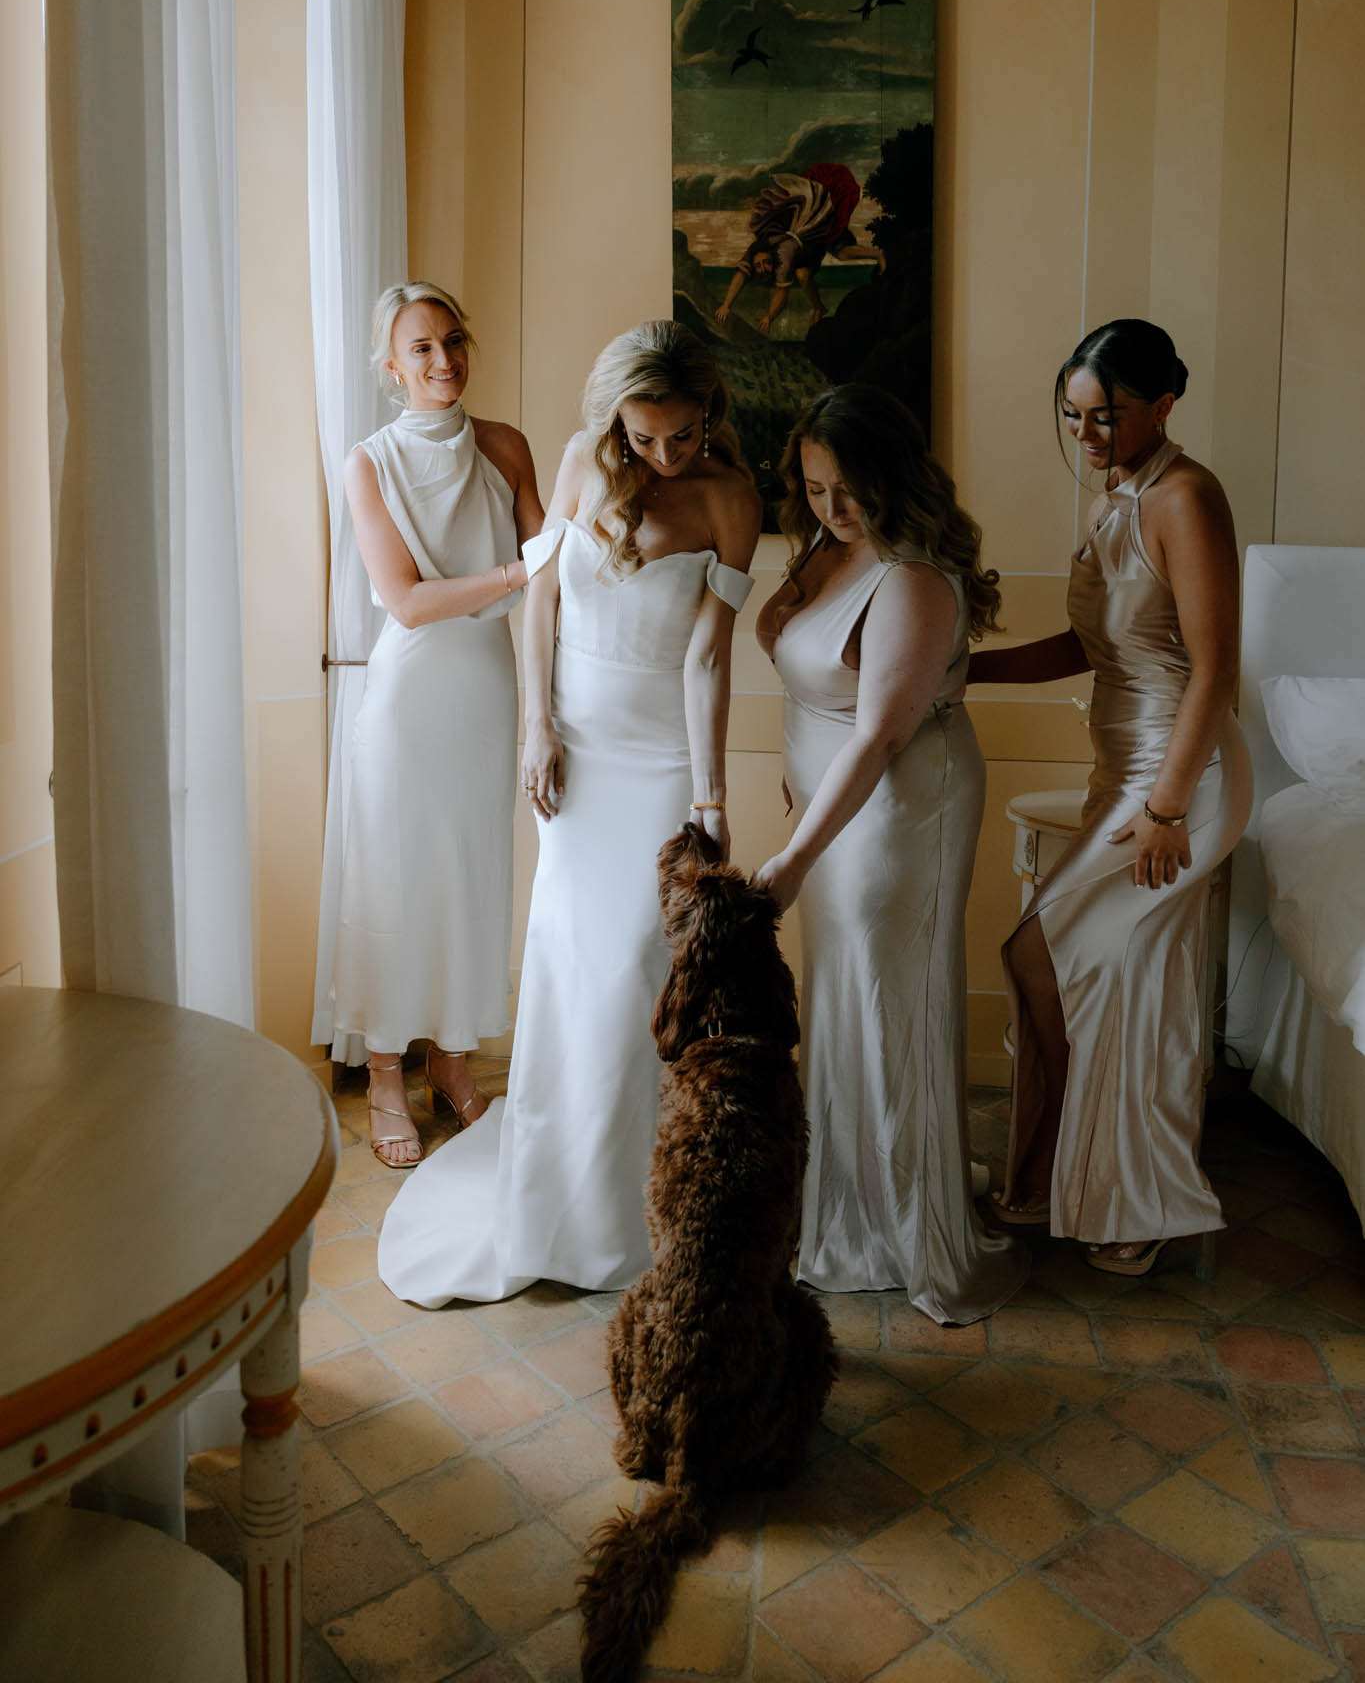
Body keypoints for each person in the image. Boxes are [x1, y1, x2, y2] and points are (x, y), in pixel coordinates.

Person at [379, 320, 761, 1304]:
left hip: (663, 756)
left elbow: (709, 655)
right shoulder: (581, 460)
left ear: (707, 415)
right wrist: (535, 726)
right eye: (645, 436)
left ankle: (632, 1201)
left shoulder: (730, 494)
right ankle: (557, 1191)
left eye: (681, 434)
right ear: (615, 419)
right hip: (577, 757)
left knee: (638, 965)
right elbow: (540, 599)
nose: (663, 455)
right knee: (568, 963)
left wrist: (710, 794)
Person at [970, 319, 1252, 1275]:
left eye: (1106, 418)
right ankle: (1066, 1174)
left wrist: (1168, 809)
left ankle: (1136, 1191)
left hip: (1185, 775)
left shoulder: (1186, 497)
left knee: (1065, 964)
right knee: (1074, 971)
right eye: (1074, 417)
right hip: (1121, 771)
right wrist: (961, 671)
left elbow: (1214, 670)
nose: (1087, 437)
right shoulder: (1115, 500)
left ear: (1163, 405)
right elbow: (1082, 648)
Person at [755, 385, 1028, 1323]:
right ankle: (845, 1194)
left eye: (847, 487)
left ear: (892, 472)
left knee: (885, 990)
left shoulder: (908, 575)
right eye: (815, 486)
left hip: (896, 807)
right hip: (832, 802)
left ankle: (902, 1220)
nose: (831, 507)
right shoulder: (830, 550)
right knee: (843, 988)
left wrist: (791, 857)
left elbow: (874, 739)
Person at [331, 282, 543, 1169]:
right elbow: (409, 602)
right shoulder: (368, 462)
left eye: (452, 340)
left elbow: (558, 560)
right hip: (410, 699)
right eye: (419, 348)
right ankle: (385, 1073)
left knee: (470, 878)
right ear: (391, 367)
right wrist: (512, 575)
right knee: (396, 882)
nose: (442, 360)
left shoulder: (504, 446)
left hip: (487, 694)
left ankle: (452, 1066)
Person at [715, 165, 878, 334]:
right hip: (801, 238)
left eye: (766, 263)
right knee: (802, 273)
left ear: (773, 258)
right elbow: (741, 274)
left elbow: (781, 292)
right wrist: (726, 305)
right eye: (758, 266)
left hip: (812, 239)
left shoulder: (782, 255)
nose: (763, 268)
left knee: (834, 257)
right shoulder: (756, 248)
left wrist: (769, 317)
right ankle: (819, 307)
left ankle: (878, 254)